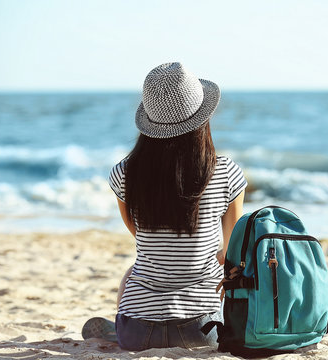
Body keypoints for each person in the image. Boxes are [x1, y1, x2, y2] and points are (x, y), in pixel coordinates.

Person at [102, 62, 246, 350]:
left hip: (136, 334)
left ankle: (119, 330)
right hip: (203, 330)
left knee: (134, 271)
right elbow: (232, 254)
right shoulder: (227, 172)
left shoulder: (124, 174)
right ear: (202, 118)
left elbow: (141, 236)